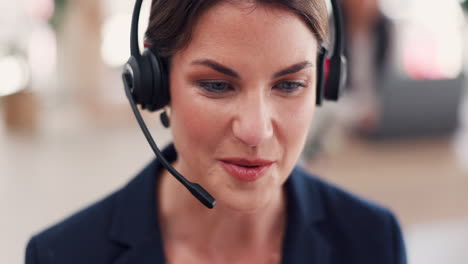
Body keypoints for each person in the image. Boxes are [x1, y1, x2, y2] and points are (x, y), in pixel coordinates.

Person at [25, 0, 407, 263]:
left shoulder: (372, 239)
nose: (255, 131)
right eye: (217, 85)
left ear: (325, 83)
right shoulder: (64, 254)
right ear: (154, 81)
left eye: (289, 85)